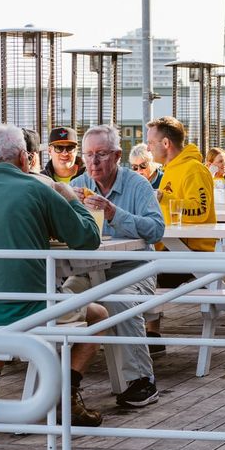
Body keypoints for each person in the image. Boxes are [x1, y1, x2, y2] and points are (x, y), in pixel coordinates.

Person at [0, 124, 107, 426]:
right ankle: (65, 396)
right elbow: (87, 237)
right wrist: (69, 196)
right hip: (30, 309)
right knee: (100, 314)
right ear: (24, 158)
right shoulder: (37, 188)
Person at [71, 124, 165, 409]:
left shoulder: (137, 184)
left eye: (101, 154)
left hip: (132, 269)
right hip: (88, 270)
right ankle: (61, 382)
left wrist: (113, 212)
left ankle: (141, 381)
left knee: (120, 298)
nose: (93, 162)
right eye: (88, 155)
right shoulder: (78, 184)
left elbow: (157, 230)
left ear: (117, 155)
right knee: (60, 297)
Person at [145, 116, 216, 344]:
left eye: (151, 142)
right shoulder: (170, 169)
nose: (148, 148)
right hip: (172, 249)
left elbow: (201, 211)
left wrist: (165, 198)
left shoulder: (194, 169)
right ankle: (148, 334)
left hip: (193, 253)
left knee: (140, 278)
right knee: (130, 270)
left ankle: (146, 336)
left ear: (165, 143)